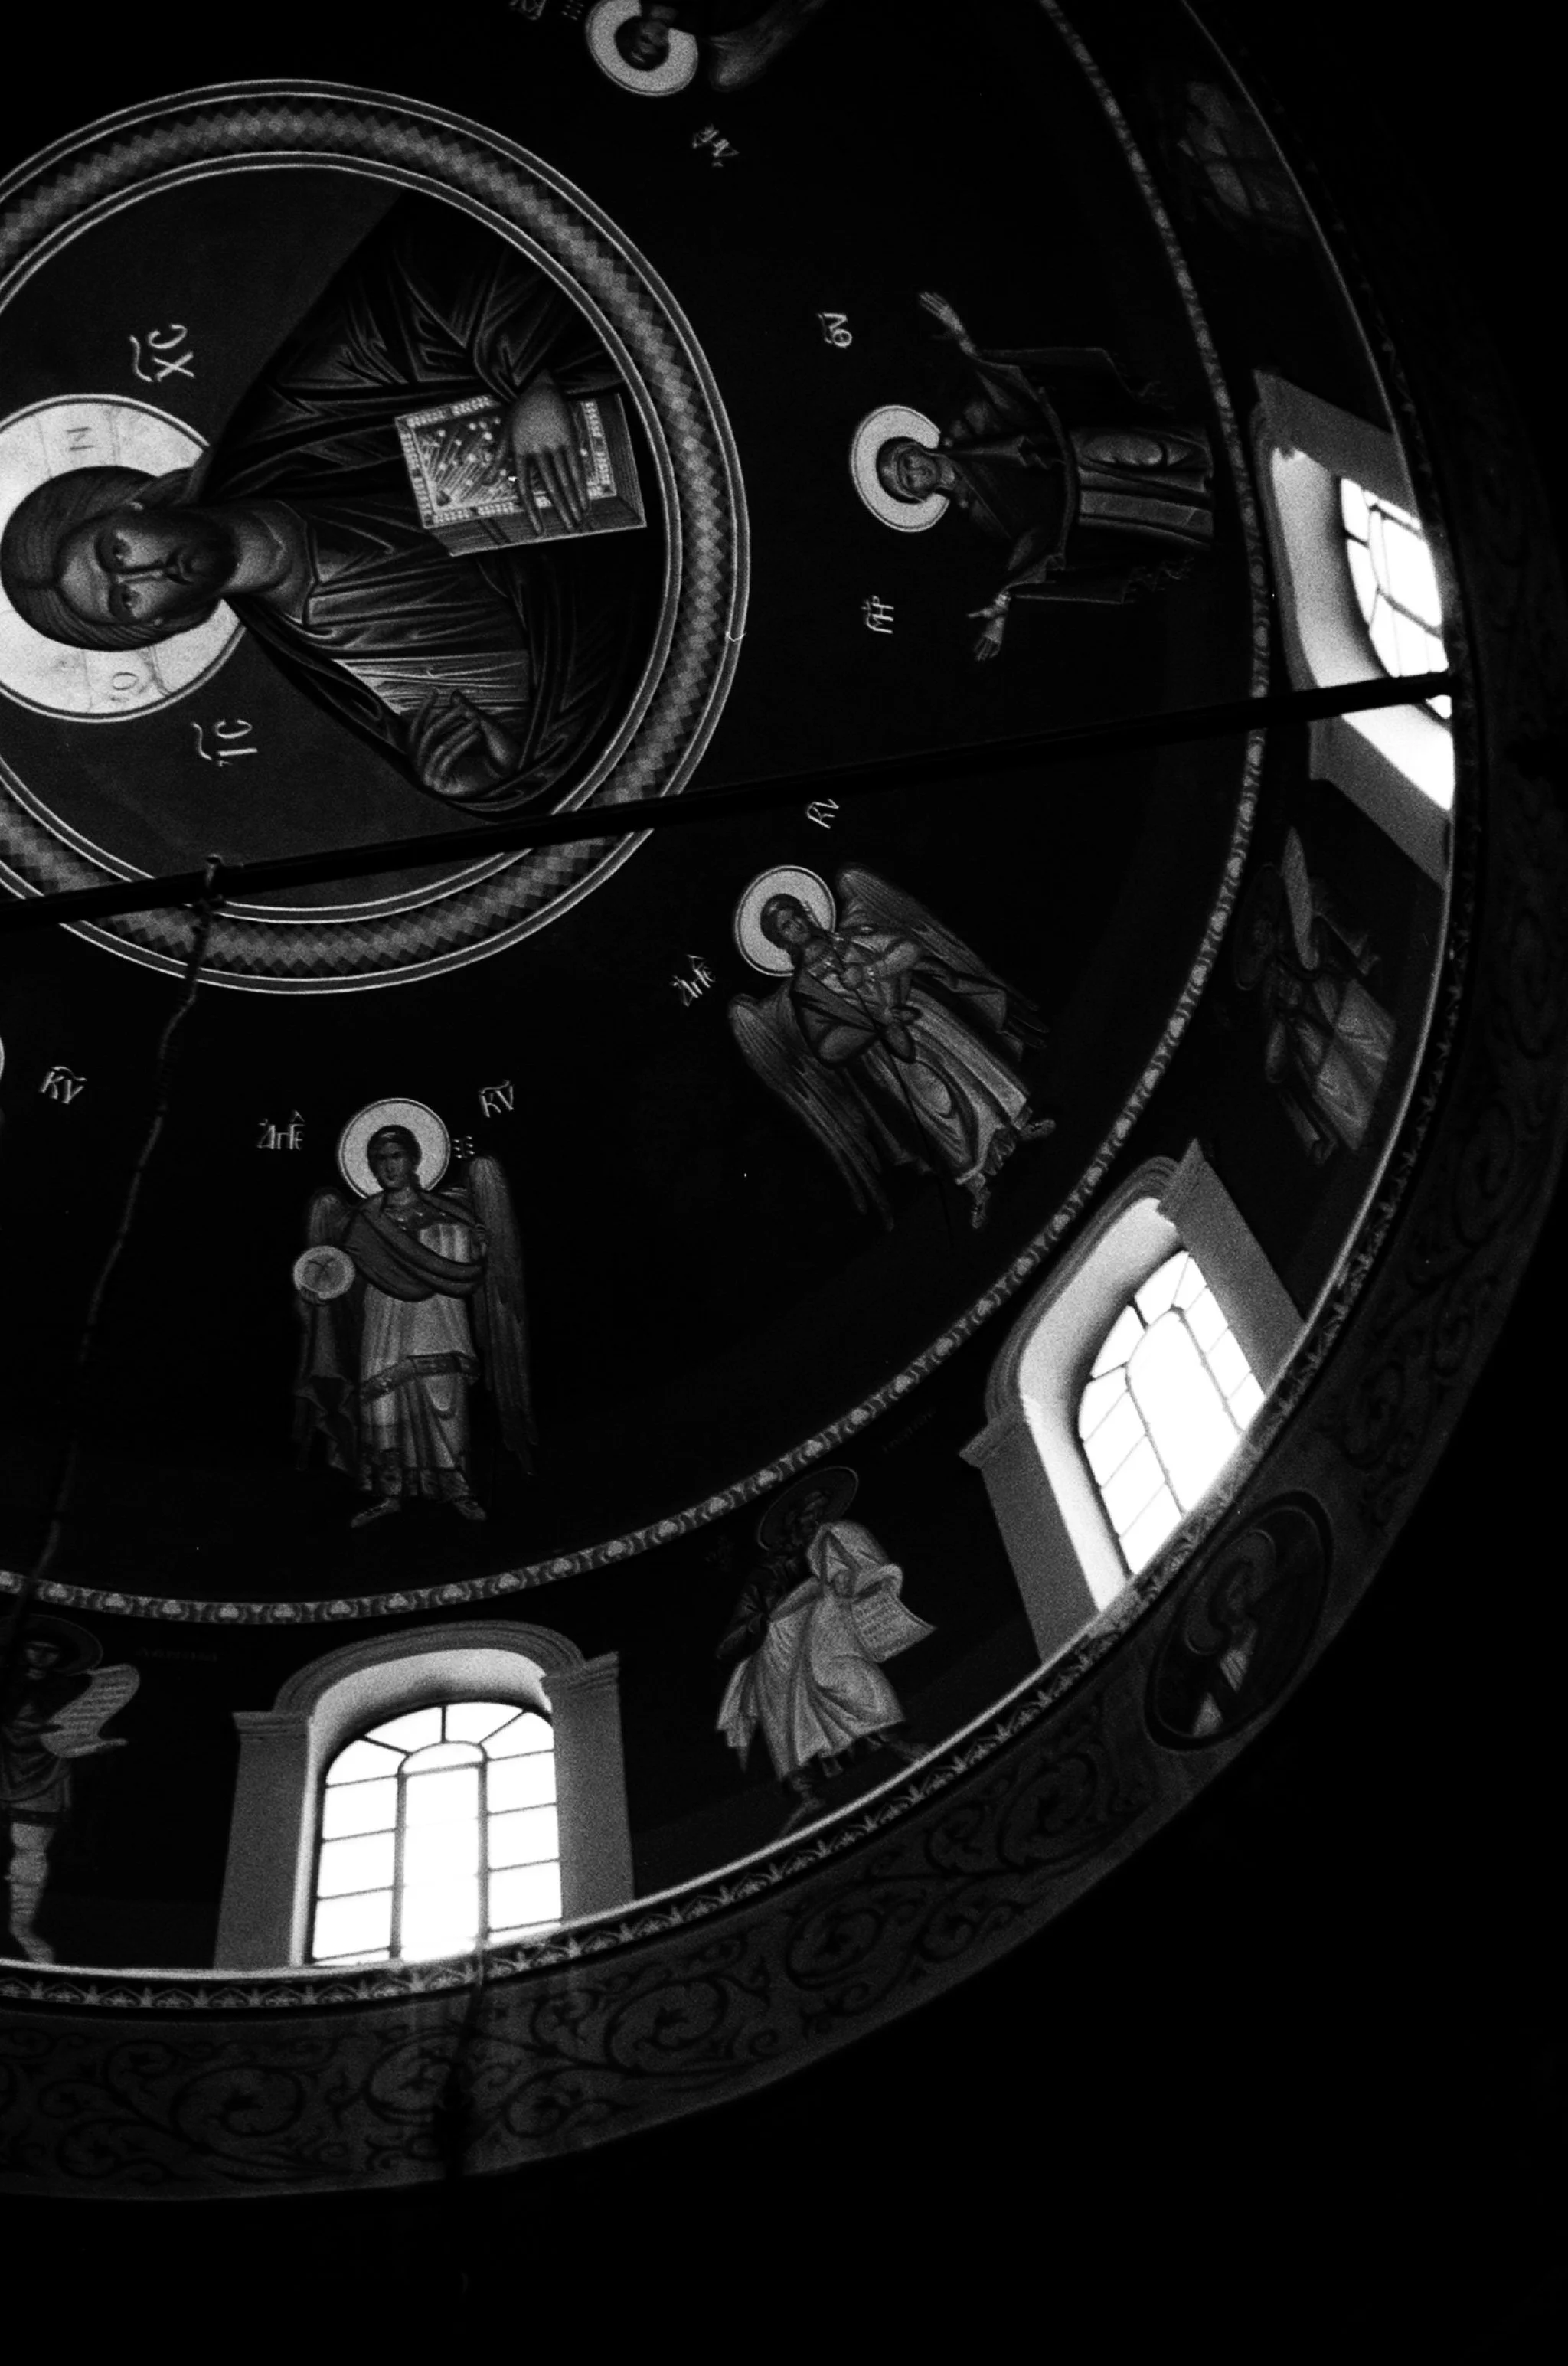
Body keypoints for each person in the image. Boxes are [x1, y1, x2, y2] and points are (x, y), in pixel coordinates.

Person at [0, 196, 652, 810]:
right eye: (125, 601)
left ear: (139, 506)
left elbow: (422, 271)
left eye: (115, 552)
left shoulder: (299, 420)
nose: (144, 574)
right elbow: (560, 706)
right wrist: (499, 770)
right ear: (170, 627)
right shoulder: (341, 667)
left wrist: (530, 375)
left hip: (653, 410)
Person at [864, 291, 1214, 661]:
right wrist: (1003, 604)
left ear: (915, 446)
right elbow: (1031, 544)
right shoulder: (977, 517)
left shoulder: (969, 422)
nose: (914, 471)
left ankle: (1205, 454)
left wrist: (966, 343)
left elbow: (1007, 397)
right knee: (1166, 514)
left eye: (906, 461)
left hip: (1078, 449)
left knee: (1160, 453)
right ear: (917, 497)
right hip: (1089, 507)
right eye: (907, 482)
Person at [730, 864, 1054, 1230]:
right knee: (937, 1107)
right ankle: (978, 1183)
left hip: (920, 1015)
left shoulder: (850, 938)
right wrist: (875, 1024)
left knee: (972, 1068)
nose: (797, 927)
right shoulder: (805, 991)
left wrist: (870, 972)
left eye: (797, 917)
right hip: (884, 1051)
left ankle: (1018, 1126)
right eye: (786, 927)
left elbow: (907, 949)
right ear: (781, 941)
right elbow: (828, 1048)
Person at [295, 1126, 532, 1525]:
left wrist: (480, 1247)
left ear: (415, 1158)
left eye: (396, 1156)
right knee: (383, 1408)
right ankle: (390, 1494)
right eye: (380, 1159)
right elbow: (344, 1283)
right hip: (383, 1329)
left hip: (440, 1324)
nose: (388, 1167)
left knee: (445, 1407)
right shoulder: (360, 1225)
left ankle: (457, 1490)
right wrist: (321, 1291)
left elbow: (471, 1270)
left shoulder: (451, 1213)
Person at [716, 1474, 931, 1835]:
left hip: (823, 1624)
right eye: (803, 1518)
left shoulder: (834, 1538)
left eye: (816, 1515)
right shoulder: (770, 1570)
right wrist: (765, 1622)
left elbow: (855, 1570)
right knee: (784, 1717)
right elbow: (740, 1630)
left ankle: (901, 1746)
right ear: (791, 1524)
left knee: (841, 1675)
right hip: (777, 1647)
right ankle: (806, 1794)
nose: (809, 1523)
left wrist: (847, 1581)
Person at [2, 1618, 135, 1963]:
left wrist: (90, 1748)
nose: (42, 1657)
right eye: (35, 1648)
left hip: (43, 1773)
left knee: (30, 1853)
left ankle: (21, 1928)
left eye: (51, 1652)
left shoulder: (67, 1692)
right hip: (3, 1764)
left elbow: (72, 1732)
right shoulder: (5, 1681)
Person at [610, 0, 829, 89]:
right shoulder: (702, 25)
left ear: (636, 27)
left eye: (645, 38)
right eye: (660, 46)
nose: (657, 38)